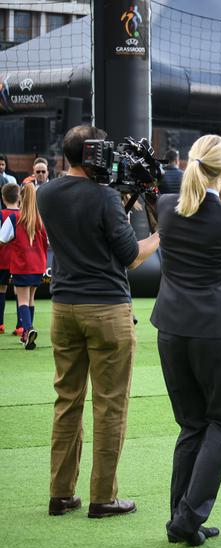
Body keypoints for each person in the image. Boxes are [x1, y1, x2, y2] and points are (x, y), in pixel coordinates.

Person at [36, 124, 161, 519]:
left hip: (63, 308)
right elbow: (130, 256)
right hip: (107, 309)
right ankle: (103, 497)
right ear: (93, 153)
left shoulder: (46, 192)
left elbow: (87, 232)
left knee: (66, 401)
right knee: (109, 406)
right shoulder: (105, 197)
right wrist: (163, 235)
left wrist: (118, 205)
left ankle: (61, 493)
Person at [150, 135, 221, 547]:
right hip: (214, 328)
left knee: (192, 424)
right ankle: (188, 517)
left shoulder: (164, 207)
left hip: (172, 328)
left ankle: (183, 516)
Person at [0, 183, 48, 350]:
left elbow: (2, 239)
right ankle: (26, 333)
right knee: (30, 299)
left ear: (21, 198)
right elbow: (47, 243)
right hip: (39, 266)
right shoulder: (41, 219)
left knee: (22, 300)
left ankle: (28, 330)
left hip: (21, 265)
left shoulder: (14, 218)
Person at [0, 183, 18, 334]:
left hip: (3, 260)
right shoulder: (25, 215)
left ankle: (0, 324)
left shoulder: (1, 214)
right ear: (18, 198)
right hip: (20, 260)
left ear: (3, 197)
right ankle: (21, 326)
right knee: (21, 291)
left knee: (1, 289)